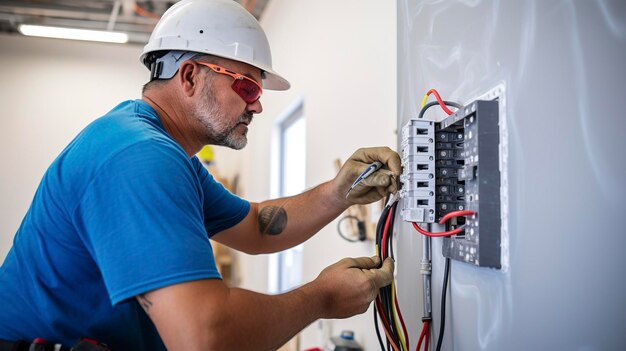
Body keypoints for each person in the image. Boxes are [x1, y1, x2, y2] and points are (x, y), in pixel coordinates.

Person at [0, 0, 401, 350]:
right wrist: (323, 299)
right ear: (190, 76)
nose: (257, 107)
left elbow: (257, 228)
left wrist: (338, 192)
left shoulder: (170, 157)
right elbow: (205, 338)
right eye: (247, 88)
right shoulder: (139, 156)